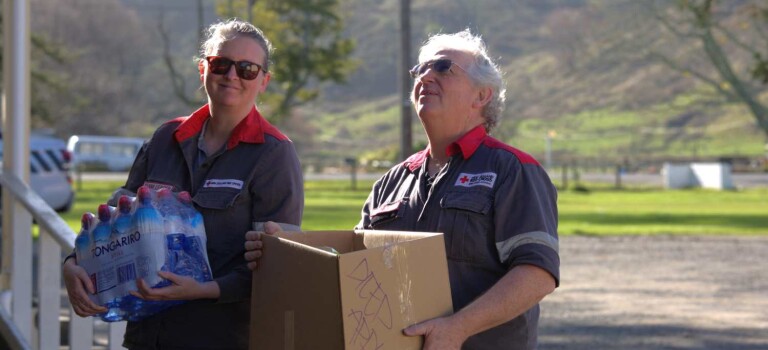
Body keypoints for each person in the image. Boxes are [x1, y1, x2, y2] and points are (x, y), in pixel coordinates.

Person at [246, 29, 559, 350]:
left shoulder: (513, 170)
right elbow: (352, 268)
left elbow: (537, 273)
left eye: (442, 68)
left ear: (482, 96)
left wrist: (457, 328)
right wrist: (286, 249)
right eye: (419, 69)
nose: (425, 76)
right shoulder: (392, 181)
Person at [63, 18, 304, 350]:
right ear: (203, 69)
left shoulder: (274, 154)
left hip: (219, 336)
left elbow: (280, 266)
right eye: (221, 64)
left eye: (247, 68)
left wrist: (206, 289)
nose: (232, 75)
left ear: (264, 81)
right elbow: (116, 220)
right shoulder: (166, 137)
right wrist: (73, 263)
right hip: (147, 334)